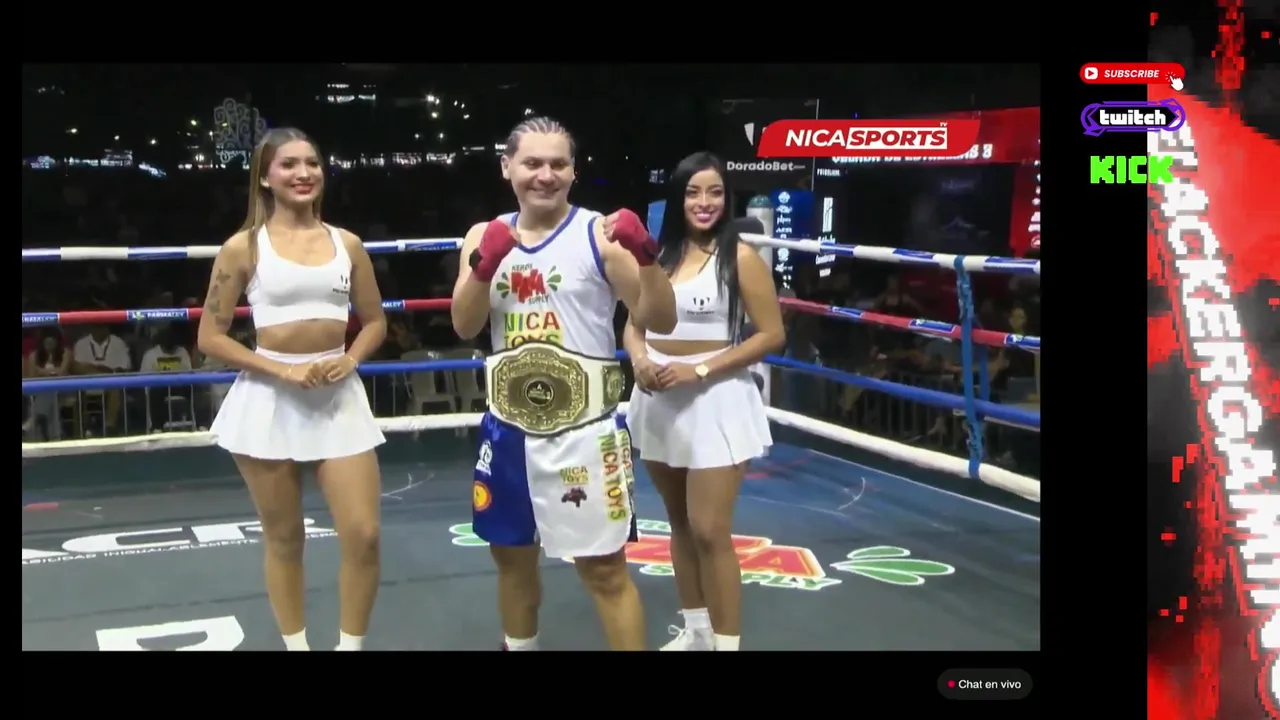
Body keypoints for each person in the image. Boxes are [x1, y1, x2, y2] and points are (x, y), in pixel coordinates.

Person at [451, 116, 677, 651]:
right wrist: (485, 266)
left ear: (574, 171)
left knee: (605, 571)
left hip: (584, 434)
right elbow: (464, 325)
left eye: (558, 164)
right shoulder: (483, 236)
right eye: (532, 163)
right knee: (511, 563)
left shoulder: (599, 235)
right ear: (507, 167)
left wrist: (646, 255)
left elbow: (662, 320)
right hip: (508, 431)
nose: (545, 175)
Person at [198, 127, 387, 652]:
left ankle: (350, 648)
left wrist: (350, 358)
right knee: (284, 538)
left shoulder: (347, 244)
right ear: (265, 177)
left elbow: (375, 321)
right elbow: (210, 336)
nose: (304, 173)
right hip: (269, 398)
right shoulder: (243, 247)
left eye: (312, 163)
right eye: (289, 164)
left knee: (364, 535)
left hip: (338, 398)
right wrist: (280, 370)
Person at [622, 151, 785, 651]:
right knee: (678, 523)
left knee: (710, 529)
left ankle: (727, 645)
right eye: (693, 192)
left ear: (727, 197)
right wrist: (639, 360)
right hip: (658, 399)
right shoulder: (659, 257)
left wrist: (699, 369)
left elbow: (772, 334)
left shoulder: (741, 257)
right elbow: (633, 324)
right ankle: (696, 631)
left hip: (716, 400)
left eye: (714, 192)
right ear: (678, 198)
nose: (704, 202)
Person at [25, 329, 72, 441]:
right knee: (51, 397)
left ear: (57, 342)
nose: (50, 345)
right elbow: (32, 376)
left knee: (51, 390)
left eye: (52, 342)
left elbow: (62, 373)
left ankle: (34, 418)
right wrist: (52, 372)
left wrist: (41, 371)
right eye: (47, 343)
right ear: (42, 342)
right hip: (40, 391)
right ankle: (55, 436)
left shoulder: (66, 353)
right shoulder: (34, 355)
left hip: (64, 389)